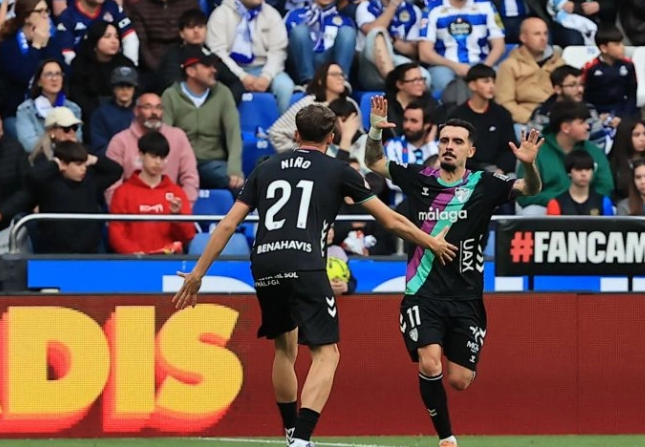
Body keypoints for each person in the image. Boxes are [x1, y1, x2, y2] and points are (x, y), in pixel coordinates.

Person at [173, 104, 457, 447]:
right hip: (305, 261)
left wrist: (197, 273)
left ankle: (292, 430)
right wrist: (431, 242)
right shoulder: (338, 170)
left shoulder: (266, 167)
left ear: (296, 135)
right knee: (327, 353)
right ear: (332, 137)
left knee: (284, 349)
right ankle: (302, 440)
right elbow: (390, 220)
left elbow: (229, 223)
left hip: (264, 262)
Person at [364, 94, 543, 447]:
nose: (449, 146)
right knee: (430, 364)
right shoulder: (418, 178)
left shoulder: (485, 185)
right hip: (422, 292)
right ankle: (446, 438)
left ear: (470, 152)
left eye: (457, 142)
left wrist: (529, 165)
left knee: (460, 379)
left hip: (466, 297)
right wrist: (373, 131)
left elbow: (530, 189)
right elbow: (375, 162)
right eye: (444, 140)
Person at [207, 0, 295, 113]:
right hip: (231, 69)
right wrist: (242, 76)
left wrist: (266, 77)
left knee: (286, 86)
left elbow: (278, 51)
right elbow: (218, 53)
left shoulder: (271, 14)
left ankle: (281, 131)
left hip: (264, 67)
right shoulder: (221, 14)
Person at [161, 46, 243, 190]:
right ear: (190, 71)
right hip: (180, 162)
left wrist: (234, 169)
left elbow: (233, 133)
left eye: (213, 66)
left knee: (241, 186)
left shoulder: (223, 93)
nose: (214, 70)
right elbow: (165, 136)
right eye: (206, 66)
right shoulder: (170, 95)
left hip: (213, 162)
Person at [419, 0, 505, 97]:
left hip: (481, 62)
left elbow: (499, 45)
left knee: (500, 79)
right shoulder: (432, 10)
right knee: (443, 81)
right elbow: (424, 53)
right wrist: (454, 66)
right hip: (446, 67)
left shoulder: (486, 5)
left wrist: (483, 68)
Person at [517, 100, 614, 215]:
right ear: (566, 128)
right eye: (582, 123)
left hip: (589, 208)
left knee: (612, 210)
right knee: (530, 213)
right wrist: (562, 200)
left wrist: (582, 200)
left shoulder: (594, 151)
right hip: (547, 208)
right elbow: (524, 194)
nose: (588, 127)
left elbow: (606, 187)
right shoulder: (537, 152)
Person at [26, 141, 123, 253]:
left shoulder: (91, 182)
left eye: (84, 164)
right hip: (55, 253)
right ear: (63, 164)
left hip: (89, 251)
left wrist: (94, 160)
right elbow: (31, 176)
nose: (84, 169)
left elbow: (116, 171)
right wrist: (55, 164)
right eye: (78, 164)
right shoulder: (49, 184)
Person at [109, 131, 196, 254]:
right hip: (133, 262)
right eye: (153, 156)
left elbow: (187, 236)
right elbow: (116, 233)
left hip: (167, 261)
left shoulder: (177, 192)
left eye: (162, 157)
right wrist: (133, 254)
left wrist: (176, 216)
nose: (158, 162)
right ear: (141, 155)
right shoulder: (122, 193)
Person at [105, 92, 199, 204]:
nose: (154, 112)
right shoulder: (120, 141)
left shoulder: (178, 137)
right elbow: (111, 183)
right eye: (147, 107)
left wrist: (183, 208)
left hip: (170, 209)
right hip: (132, 210)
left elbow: (190, 177)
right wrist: (123, 213)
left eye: (158, 107)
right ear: (136, 111)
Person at [355, 0, 426, 91]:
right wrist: (394, 4)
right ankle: (395, 84)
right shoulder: (366, 6)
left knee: (427, 77)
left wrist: (394, 42)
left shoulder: (413, 11)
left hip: (399, 62)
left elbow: (414, 50)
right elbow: (371, 31)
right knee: (377, 31)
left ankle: (398, 85)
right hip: (370, 67)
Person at [268, 61, 360, 153]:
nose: (340, 78)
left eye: (341, 74)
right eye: (334, 74)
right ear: (320, 80)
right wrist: (301, 153)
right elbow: (276, 132)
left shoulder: (351, 103)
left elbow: (359, 137)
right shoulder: (308, 103)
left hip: (348, 158)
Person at [156, 9, 245, 104]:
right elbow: (172, 85)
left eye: (200, 26)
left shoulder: (211, 56)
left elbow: (235, 83)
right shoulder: (173, 56)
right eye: (190, 27)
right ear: (181, 33)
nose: (196, 31)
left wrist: (221, 103)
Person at [0, 0, 63, 121]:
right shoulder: (9, 44)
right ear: (26, 17)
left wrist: (45, 44)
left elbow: (63, 71)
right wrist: (36, 45)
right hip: (17, 112)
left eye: (46, 11)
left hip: (52, 108)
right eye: (39, 11)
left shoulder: (51, 42)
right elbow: (24, 75)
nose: (45, 15)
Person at [441, 64, 516, 174]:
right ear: (472, 85)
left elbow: (509, 148)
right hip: (467, 172)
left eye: (493, 82)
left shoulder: (502, 114)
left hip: (498, 171)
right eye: (486, 81)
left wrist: (500, 170)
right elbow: (456, 151)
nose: (491, 86)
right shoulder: (458, 115)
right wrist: (481, 173)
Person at [55, 0, 137, 65]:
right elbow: (67, 53)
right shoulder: (68, 16)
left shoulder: (112, 7)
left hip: (113, 65)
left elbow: (129, 36)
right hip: (83, 71)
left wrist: (130, 67)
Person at [494, 17, 565, 125]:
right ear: (523, 38)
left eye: (545, 34)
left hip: (559, 119)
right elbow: (504, 102)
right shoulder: (508, 66)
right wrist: (530, 119)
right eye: (537, 34)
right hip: (526, 121)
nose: (543, 38)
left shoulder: (559, 63)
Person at [129, 0, 199, 71]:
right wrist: (160, 70)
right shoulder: (139, 9)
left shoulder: (190, 4)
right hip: (153, 69)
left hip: (188, 65)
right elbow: (142, 46)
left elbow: (196, 40)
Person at [69, 21, 136, 132]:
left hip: (124, 115)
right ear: (95, 40)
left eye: (116, 37)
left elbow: (135, 92)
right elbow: (79, 97)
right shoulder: (80, 64)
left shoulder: (125, 63)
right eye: (107, 37)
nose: (114, 41)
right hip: (91, 118)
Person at [15, 59, 83, 152]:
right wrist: (54, 139)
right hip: (39, 161)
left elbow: (77, 141)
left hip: (68, 159)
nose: (54, 79)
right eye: (49, 74)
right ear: (39, 81)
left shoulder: (73, 108)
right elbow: (29, 145)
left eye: (58, 74)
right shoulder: (25, 109)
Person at [581, 27, 638, 120]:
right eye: (617, 44)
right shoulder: (590, 68)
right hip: (598, 111)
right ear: (603, 48)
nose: (622, 47)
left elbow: (632, 94)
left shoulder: (628, 65)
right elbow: (584, 97)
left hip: (622, 109)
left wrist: (622, 116)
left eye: (622, 43)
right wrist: (596, 116)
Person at [546, 149, 615, 215]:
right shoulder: (555, 203)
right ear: (569, 172)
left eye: (588, 169)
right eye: (578, 169)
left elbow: (610, 226)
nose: (583, 174)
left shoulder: (604, 202)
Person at [89, 65, 139, 155]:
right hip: (112, 162)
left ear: (134, 89)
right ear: (113, 88)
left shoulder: (142, 112)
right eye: (120, 86)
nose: (125, 90)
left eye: (129, 86)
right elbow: (99, 148)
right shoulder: (100, 114)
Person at [384, 62, 438, 138]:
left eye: (422, 79)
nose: (420, 83)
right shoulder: (386, 105)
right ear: (400, 84)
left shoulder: (430, 103)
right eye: (415, 80)